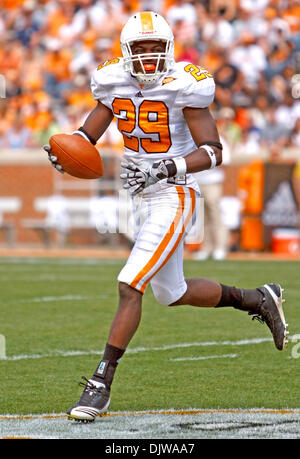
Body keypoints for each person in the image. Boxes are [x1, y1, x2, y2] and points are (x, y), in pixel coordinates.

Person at [45, 12, 288, 423]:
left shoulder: (184, 84)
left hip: (175, 193)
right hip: (140, 195)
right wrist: (66, 151)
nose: (150, 56)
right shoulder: (111, 81)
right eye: (141, 48)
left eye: (156, 47)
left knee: (130, 283)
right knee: (170, 292)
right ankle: (258, 298)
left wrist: (167, 167)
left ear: (170, 48)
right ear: (126, 51)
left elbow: (214, 150)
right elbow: (87, 135)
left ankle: (100, 382)